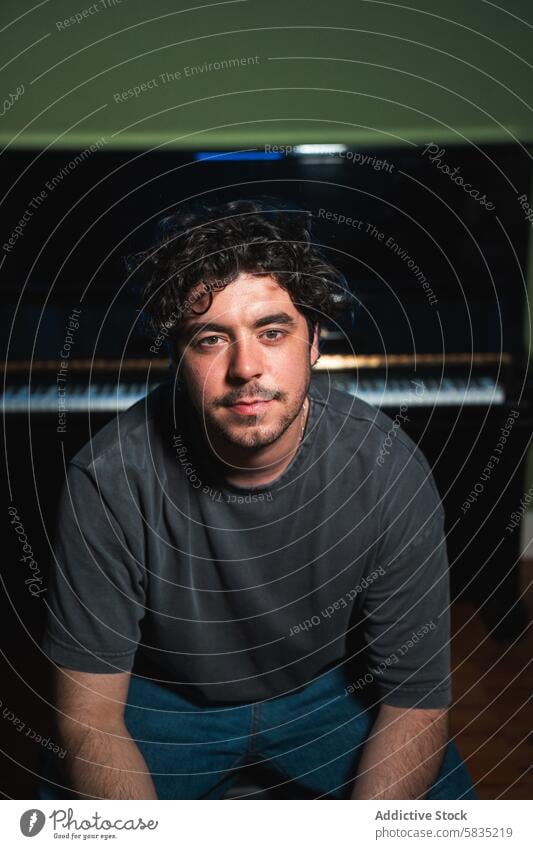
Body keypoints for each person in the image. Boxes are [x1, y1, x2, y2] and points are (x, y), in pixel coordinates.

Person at [39, 198, 476, 800]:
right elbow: (89, 716)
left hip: (329, 694)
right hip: (163, 699)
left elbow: (414, 705)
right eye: (211, 339)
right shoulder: (107, 480)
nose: (246, 367)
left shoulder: (389, 471)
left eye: (272, 332)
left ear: (314, 343)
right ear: (178, 359)